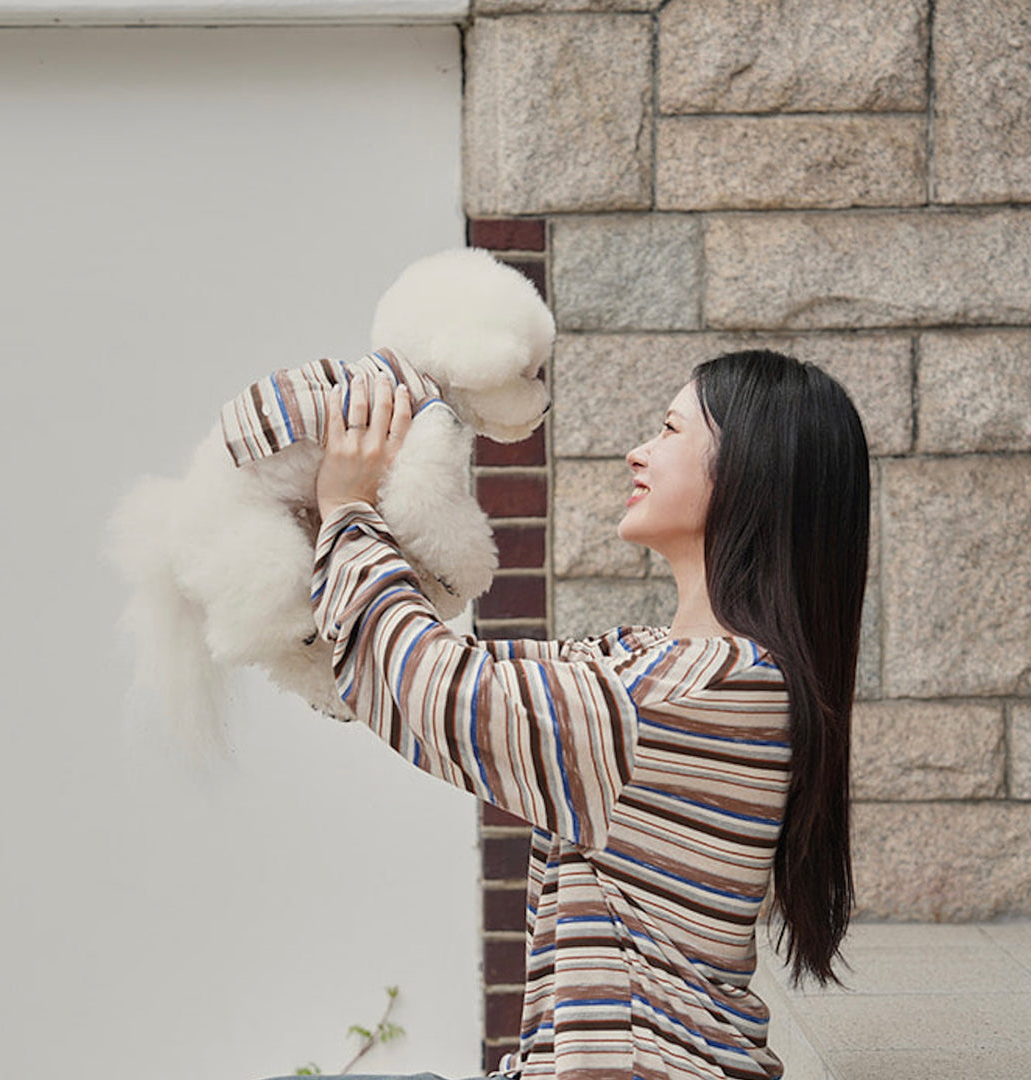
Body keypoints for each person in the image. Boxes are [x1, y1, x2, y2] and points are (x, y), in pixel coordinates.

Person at [262, 349, 870, 1080]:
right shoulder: (679, 666)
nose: (637, 450)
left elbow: (446, 692)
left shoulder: (693, 690)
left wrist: (350, 509)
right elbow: (474, 672)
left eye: (671, 431)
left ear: (749, 472)